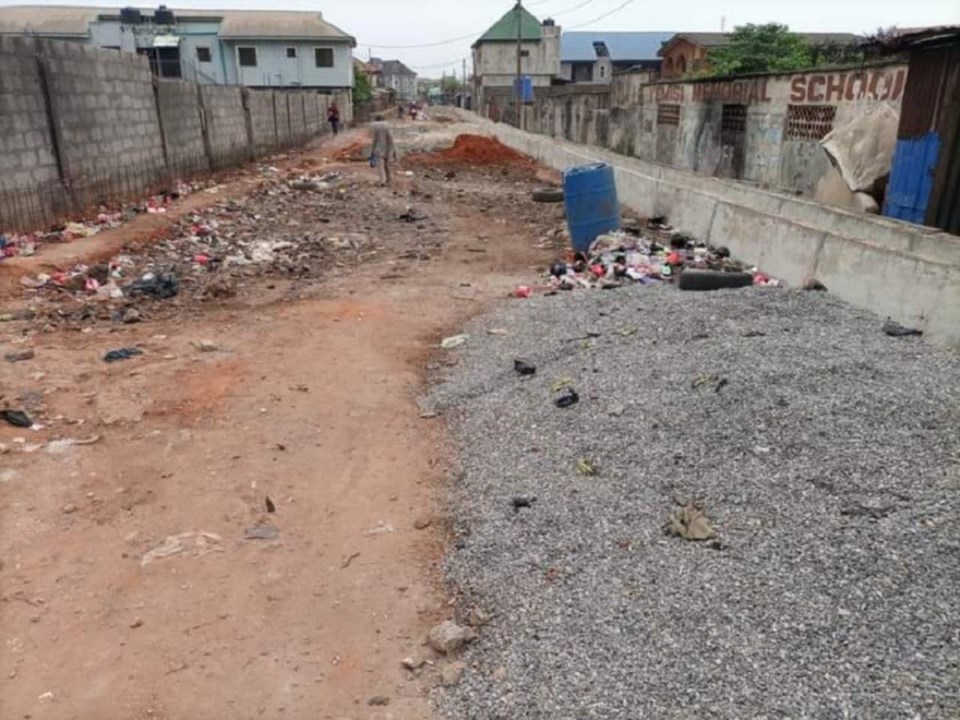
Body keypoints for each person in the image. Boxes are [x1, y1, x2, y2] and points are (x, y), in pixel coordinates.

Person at [370, 115, 398, 185]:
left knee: (381, 166)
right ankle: (389, 179)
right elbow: (391, 139)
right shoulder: (388, 126)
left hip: (379, 149)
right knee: (387, 165)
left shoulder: (376, 127)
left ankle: (382, 181)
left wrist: (372, 150)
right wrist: (394, 150)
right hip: (388, 148)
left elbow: (374, 140)